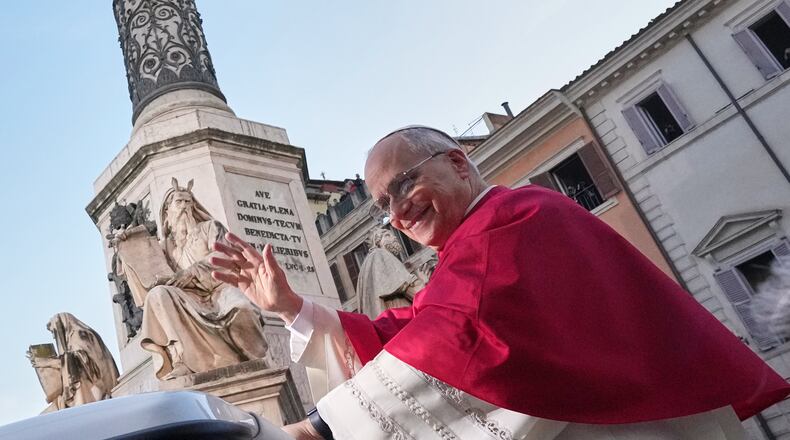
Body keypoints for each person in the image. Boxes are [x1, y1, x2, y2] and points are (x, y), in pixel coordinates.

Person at [212, 126, 790, 439]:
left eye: (402, 186)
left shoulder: (516, 219)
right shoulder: (469, 248)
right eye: (382, 205)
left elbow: (461, 335)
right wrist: (292, 307)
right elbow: (410, 327)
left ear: (459, 163)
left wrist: (316, 430)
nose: (395, 213)